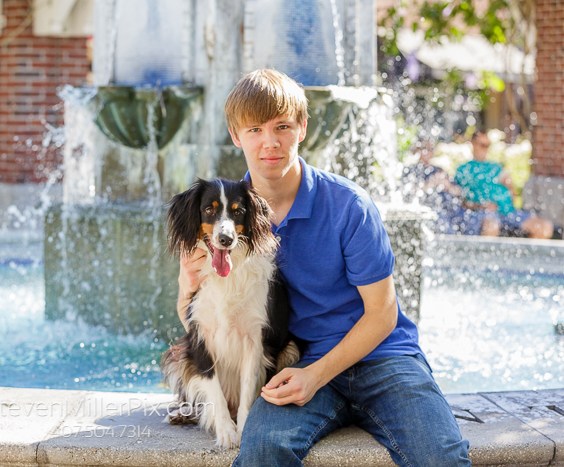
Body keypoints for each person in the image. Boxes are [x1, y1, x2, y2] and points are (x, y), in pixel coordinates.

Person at [176, 69, 471, 466]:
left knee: (442, 457)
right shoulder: (220, 222)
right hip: (299, 361)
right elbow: (203, 327)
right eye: (255, 130)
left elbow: (382, 315)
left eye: (282, 126)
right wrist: (186, 286)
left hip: (383, 360)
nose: (270, 142)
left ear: (301, 128)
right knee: (261, 450)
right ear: (235, 134)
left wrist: (315, 376)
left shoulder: (349, 206)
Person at [454, 131, 554, 239]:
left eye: (488, 145)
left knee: (545, 227)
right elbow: (460, 201)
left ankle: (525, 255)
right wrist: (481, 206)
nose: (485, 149)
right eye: (482, 145)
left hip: (509, 213)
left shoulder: (496, 167)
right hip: (485, 213)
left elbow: (514, 196)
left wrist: (510, 187)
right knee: (491, 226)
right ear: (473, 144)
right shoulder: (464, 170)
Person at [402, 140, 500, 236]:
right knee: (443, 223)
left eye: (431, 149)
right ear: (416, 150)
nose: (427, 152)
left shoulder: (439, 170)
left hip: (457, 212)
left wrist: (448, 186)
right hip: (435, 213)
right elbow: (407, 195)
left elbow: (459, 193)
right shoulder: (410, 171)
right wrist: (431, 183)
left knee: (490, 220)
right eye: (424, 148)